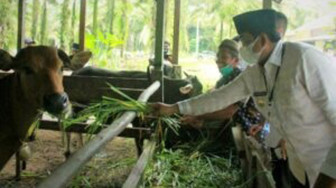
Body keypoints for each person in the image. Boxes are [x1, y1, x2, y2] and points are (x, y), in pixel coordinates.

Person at [152, 9, 336, 188]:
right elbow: (220, 97)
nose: (242, 49)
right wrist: (173, 108)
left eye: (246, 41)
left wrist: (328, 179)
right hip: (297, 166)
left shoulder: (304, 59)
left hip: (326, 167)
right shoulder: (255, 73)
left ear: (263, 39)